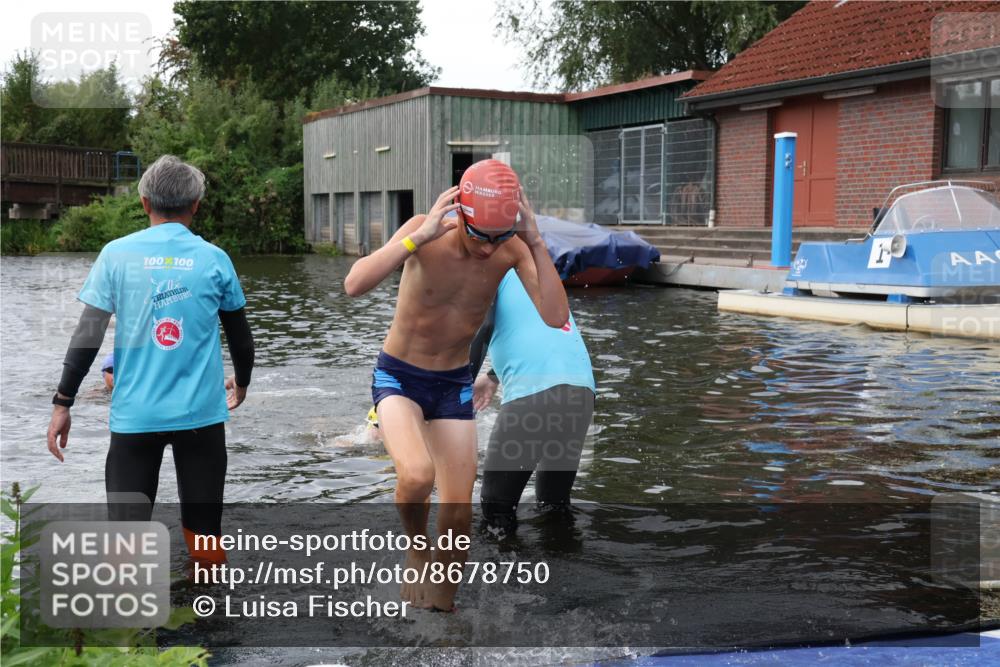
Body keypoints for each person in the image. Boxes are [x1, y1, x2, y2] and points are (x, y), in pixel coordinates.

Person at [343, 159, 569, 611]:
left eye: (499, 237)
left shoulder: (512, 248)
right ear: (461, 213)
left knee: (459, 513)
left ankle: (443, 614)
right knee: (416, 476)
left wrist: (535, 241)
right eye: (480, 236)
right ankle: (415, 548)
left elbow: (555, 316)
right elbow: (354, 284)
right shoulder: (426, 233)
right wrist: (416, 237)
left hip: (452, 383)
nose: (489, 249)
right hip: (398, 377)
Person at [45, 155, 255, 564]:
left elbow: (87, 337)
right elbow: (241, 340)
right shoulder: (214, 258)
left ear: (144, 203)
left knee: (126, 541)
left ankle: (131, 625)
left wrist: (62, 403)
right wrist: (241, 381)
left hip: (134, 420)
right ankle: (210, 616)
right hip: (202, 419)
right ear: (195, 204)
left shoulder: (116, 255)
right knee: (206, 536)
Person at [469, 271, 595, 534]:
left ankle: (507, 574)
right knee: (553, 506)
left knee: (496, 512)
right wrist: (493, 376)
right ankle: (562, 567)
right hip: (581, 390)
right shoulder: (533, 268)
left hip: (534, 392)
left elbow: (483, 326)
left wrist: (454, 387)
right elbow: (540, 331)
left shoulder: (490, 264)